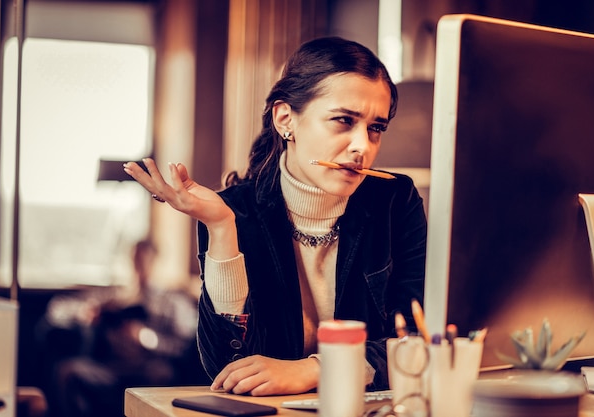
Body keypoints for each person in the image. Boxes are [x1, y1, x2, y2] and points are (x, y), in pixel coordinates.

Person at [123, 36, 427, 396]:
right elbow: (226, 368)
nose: (363, 146)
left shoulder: (395, 200)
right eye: (344, 120)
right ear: (286, 120)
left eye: (376, 127)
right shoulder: (233, 211)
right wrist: (221, 229)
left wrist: (315, 370)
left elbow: (417, 344)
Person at [40, 239, 199, 417]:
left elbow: (183, 347)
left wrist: (144, 336)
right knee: (68, 370)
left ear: (155, 263)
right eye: (134, 261)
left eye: (144, 261)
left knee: (162, 373)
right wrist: (85, 312)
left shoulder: (172, 302)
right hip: (109, 368)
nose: (138, 267)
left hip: (148, 367)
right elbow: (57, 308)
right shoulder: (113, 296)